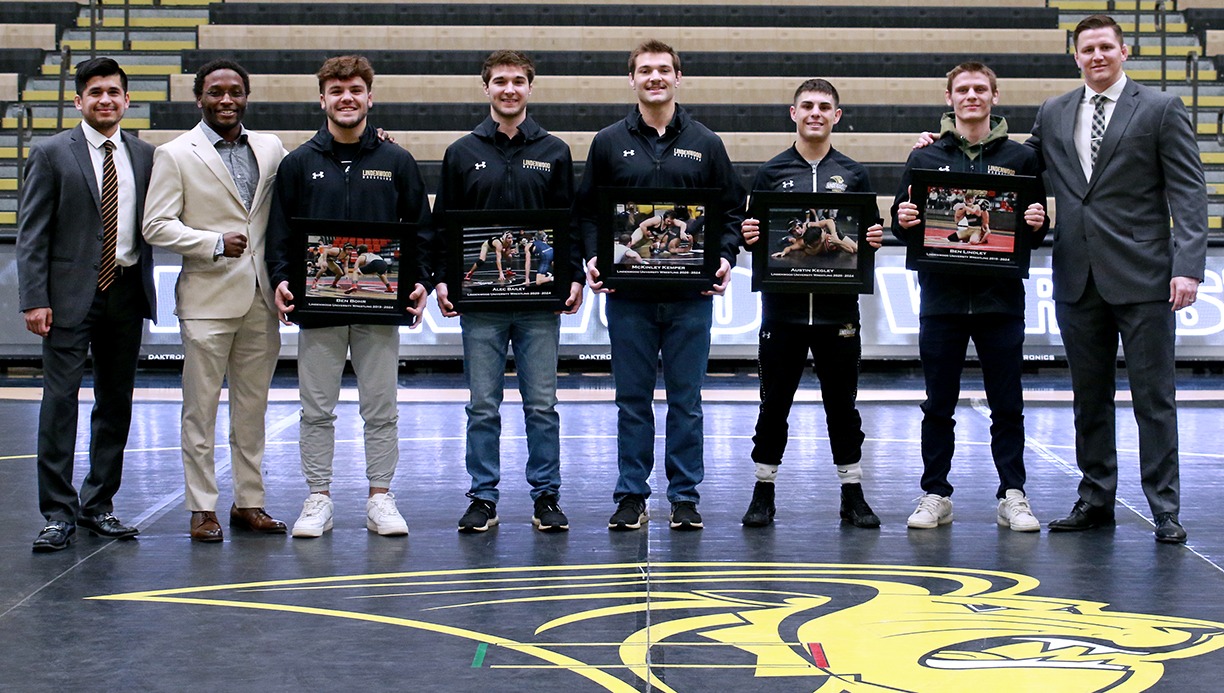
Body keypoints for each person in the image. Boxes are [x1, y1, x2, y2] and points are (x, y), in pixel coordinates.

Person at [1032, 15, 1208, 543]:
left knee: (1155, 397)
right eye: (1088, 49)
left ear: (1124, 50)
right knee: (1089, 397)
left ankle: (1165, 508)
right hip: (1076, 276)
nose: (1097, 56)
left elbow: (1189, 191)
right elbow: (1018, 168)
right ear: (1076, 56)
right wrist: (944, 146)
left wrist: (1188, 267)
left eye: (1106, 46)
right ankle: (1095, 499)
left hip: (1147, 276)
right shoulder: (1054, 111)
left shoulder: (1160, 109)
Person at [575, 39, 745, 531]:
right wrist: (593, 255)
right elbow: (588, 211)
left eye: (663, 70)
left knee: (687, 401)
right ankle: (631, 495)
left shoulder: (707, 142)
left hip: (689, 298)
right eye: (645, 70)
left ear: (678, 77)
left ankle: (684, 496)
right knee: (632, 399)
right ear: (632, 79)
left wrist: (725, 256)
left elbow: (731, 211)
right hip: (629, 298)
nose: (654, 77)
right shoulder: (608, 142)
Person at [265, 55, 433, 538]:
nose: (346, 98)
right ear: (322, 99)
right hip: (319, 308)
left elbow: (419, 230)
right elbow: (280, 236)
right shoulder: (298, 164)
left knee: (380, 407)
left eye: (355, 89)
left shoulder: (395, 160)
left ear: (369, 97)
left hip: (379, 307)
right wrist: (281, 278)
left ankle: (380, 497)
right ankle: (318, 496)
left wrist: (418, 278)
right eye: (336, 90)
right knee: (316, 408)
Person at [893, 62, 1049, 532]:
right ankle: (935, 492)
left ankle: (1013, 495)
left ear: (995, 96)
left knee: (1008, 402)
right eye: (963, 89)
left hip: (1000, 301)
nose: (972, 96)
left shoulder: (1021, 159)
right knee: (938, 403)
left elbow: (1034, 233)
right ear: (949, 97)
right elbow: (907, 231)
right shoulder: (923, 157)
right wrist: (905, 221)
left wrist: (1039, 223)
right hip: (941, 300)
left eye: (981, 89)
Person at [432, 50, 582, 533]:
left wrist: (574, 274)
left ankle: (546, 497)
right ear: (486, 89)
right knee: (482, 405)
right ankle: (483, 497)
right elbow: (443, 227)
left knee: (542, 405)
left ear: (530, 88)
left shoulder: (555, 151)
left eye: (518, 81)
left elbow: (570, 223)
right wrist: (443, 279)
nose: (509, 89)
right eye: (500, 81)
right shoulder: (461, 152)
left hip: (539, 305)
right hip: (483, 308)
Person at [142, 60, 288, 542]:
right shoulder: (175, 154)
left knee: (252, 409)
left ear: (247, 96)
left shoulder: (270, 147)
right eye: (216, 92)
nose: (226, 99)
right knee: (199, 410)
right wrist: (210, 242)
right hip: (206, 298)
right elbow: (156, 225)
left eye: (236, 92)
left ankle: (249, 502)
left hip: (261, 299)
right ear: (198, 98)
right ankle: (201, 507)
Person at [17, 57, 156, 552]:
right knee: (60, 404)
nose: (105, 100)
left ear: (125, 100)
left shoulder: (145, 155)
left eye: (114, 92)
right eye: (95, 92)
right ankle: (57, 513)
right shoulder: (52, 152)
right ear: (79, 101)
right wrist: (35, 298)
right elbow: (31, 233)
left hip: (125, 291)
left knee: (115, 404)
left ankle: (99, 505)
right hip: (68, 298)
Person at [738, 78, 884, 529]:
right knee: (773, 403)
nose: (815, 112)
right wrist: (749, 238)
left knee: (843, 403)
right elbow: (755, 237)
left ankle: (852, 493)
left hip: (838, 312)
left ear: (836, 116)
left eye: (824, 106)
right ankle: (763, 491)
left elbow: (866, 236)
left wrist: (872, 239)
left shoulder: (855, 174)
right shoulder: (770, 172)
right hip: (782, 311)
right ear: (793, 113)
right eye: (807, 105)